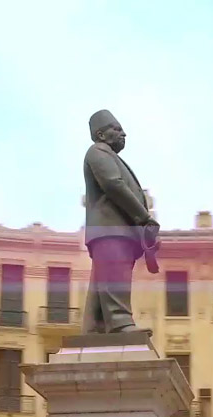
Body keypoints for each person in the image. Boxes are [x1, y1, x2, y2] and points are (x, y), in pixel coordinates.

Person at [82, 109, 159, 334]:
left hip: (117, 230)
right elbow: (113, 184)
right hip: (110, 229)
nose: (123, 133)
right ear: (100, 134)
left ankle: (95, 328)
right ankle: (120, 322)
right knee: (114, 276)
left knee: (105, 279)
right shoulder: (97, 151)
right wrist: (143, 218)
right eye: (116, 129)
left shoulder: (110, 156)